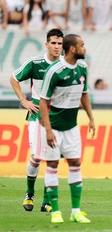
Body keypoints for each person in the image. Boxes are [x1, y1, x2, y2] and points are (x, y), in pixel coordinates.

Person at [39, 33, 95, 223]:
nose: (84, 48)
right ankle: (55, 211)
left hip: (71, 128)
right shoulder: (55, 70)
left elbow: (84, 95)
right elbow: (43, 101)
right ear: (72, 49)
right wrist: (47, 130)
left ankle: (76, 211)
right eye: (82, 45)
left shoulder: (83, 68)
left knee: (75, 164)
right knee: (53, 166)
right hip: (53, 128)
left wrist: (91, 118)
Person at [10, 28, 64, 212]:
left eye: (60, 43)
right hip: (36, 115)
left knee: (53, 159)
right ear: (46, 44)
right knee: (36, 156)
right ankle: (29, 193)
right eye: (53, 43)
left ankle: (46, 201)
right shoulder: (35, 63)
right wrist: (23, 100)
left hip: (57, 117)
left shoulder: (65, 66)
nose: (56, 47)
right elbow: (14, 79)